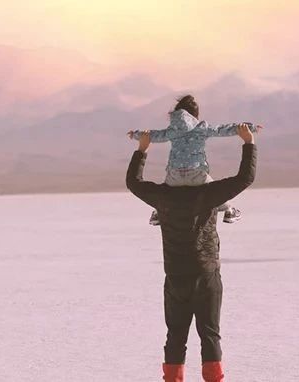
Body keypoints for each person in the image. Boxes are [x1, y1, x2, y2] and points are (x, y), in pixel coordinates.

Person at [126, 124, 257, 382]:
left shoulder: (162, 196)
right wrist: (248, 142)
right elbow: (245, 178)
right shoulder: (208, 194)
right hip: (206, 273)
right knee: (210, 334)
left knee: (175, 336)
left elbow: (133, 182)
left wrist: (142, 149)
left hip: (176, 277)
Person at [127, 95, 261, 225]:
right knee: (216, 192)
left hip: (174, 176)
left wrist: (136, 135)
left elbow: (153, 135)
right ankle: (229, 211)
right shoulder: (201, 128)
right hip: (196, 175)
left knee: (163, 194)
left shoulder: (172, 131)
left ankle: (157, 213)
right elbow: (222, 130)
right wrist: (250, 127)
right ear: (195, 115)